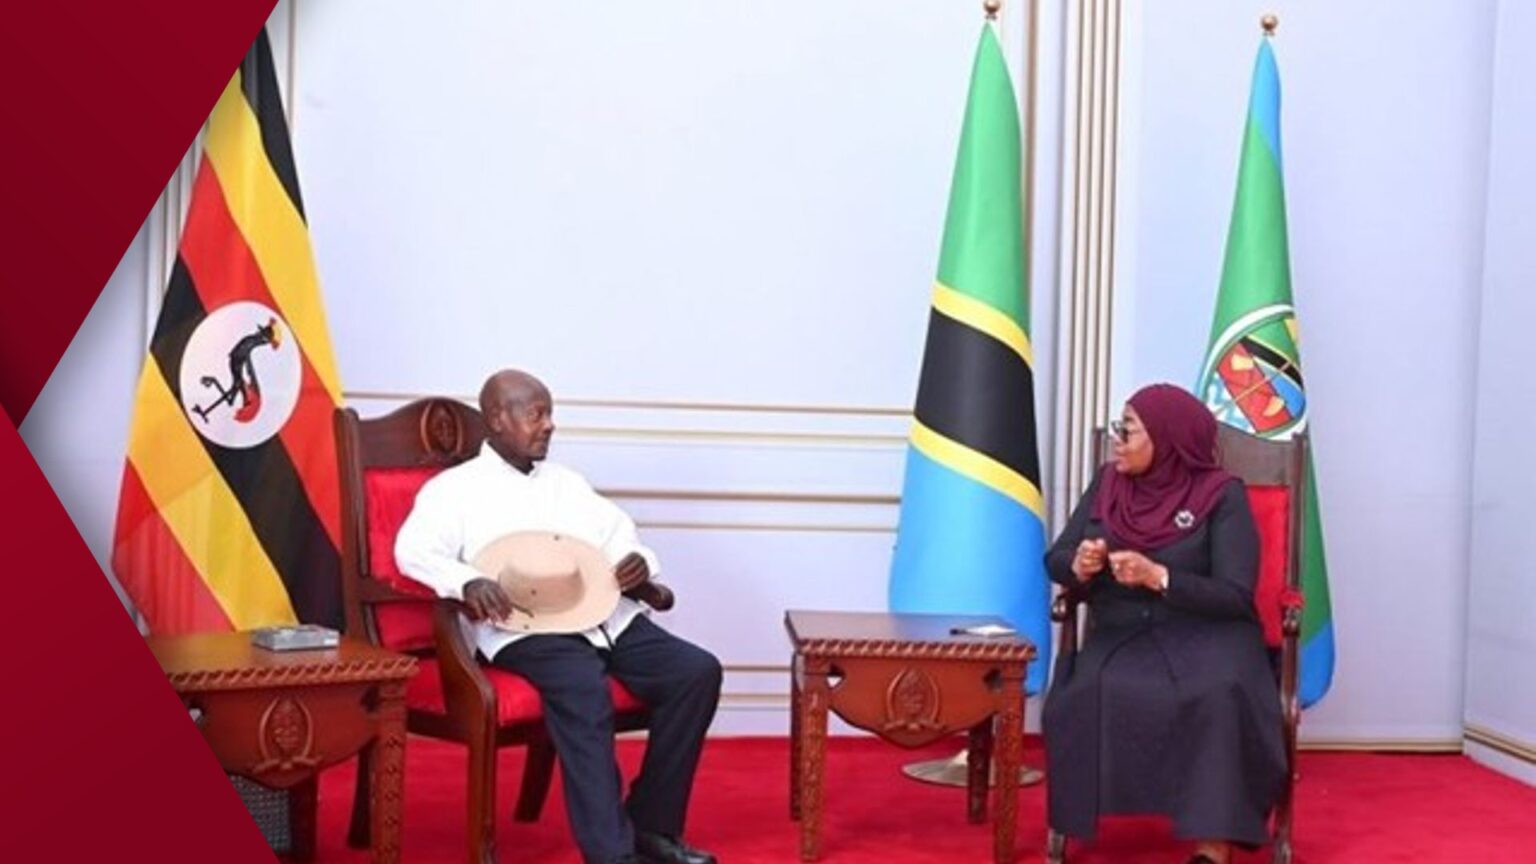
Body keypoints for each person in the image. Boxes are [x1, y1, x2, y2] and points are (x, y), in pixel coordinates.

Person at [395, 369, 722, 864]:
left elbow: (620, 537)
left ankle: (653, 826)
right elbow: (412, 551)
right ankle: (611, 853)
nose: (549, 425)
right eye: (536, 414)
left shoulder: (569, 484)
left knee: (695, 673)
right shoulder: (454, 490)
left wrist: (639, 563)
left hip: (602, 617)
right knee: (581, 687)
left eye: (550, 414)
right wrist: (466, 582)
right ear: (497, 420)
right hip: (523, 625)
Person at [1041, 383, 1286, 864]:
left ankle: (1212, 844)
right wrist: (1082, 565)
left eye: (1128, 430)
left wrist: (1160, 576)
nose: (1118, 440)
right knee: (1085, 691)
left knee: (1219, 694)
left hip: (1210, 633)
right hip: (1124, 632)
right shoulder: (1108, 483)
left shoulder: (1222, 496)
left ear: (1168, 439)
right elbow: (1058, 557)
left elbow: (1236, 594)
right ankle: (1078, 822)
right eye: (1119, 428)